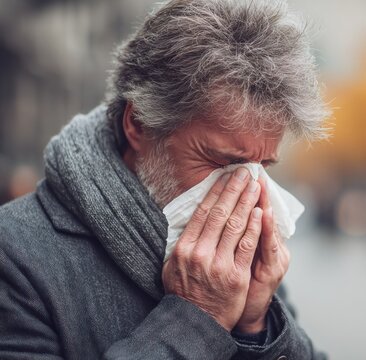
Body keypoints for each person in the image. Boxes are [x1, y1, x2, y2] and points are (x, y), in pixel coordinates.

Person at [0, 0, 331, 359]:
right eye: (224, 162)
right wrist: (197, 318)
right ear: (139, 124)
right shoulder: (14, 256)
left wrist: (257, 324)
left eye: (263, 166)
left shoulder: (240, 262)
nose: (248, 190)